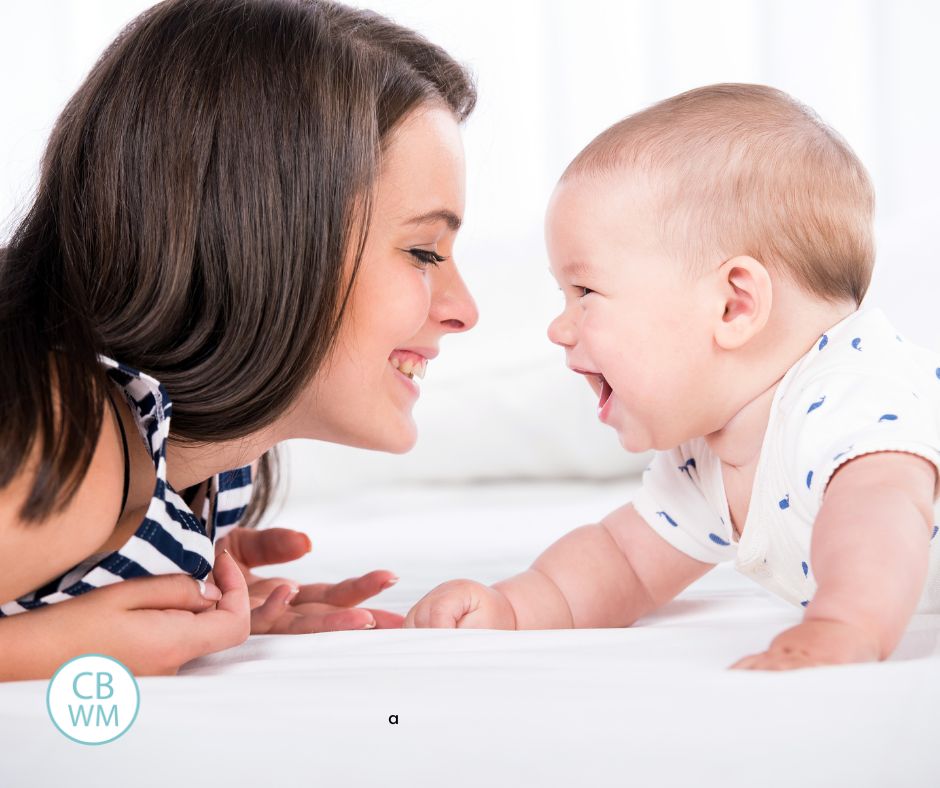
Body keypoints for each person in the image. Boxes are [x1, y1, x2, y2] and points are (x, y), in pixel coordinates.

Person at [0, 0, 478, 681]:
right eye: (424, 252)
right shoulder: (68, 443)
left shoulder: (207, 466)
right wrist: (57, 651)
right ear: (262, 244)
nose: (466, 311)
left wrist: (181, 584)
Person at [404, 83, 940, 671]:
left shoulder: (851, 400)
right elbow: (624, 561)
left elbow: (880, 521)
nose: (559, 328)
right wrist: (512, 606)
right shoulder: (706, 455)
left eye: (585, 291)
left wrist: (845, 626)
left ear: (733, 306)